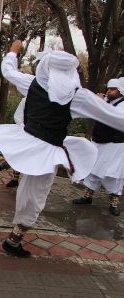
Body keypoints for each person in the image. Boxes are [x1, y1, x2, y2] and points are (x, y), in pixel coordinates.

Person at [0, 40, 124, 258]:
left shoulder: (32, 83)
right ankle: (14, 240)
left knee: (30, 193)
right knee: (35, 196)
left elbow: (8, 71)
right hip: (45, 152)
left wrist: (13, 52)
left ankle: (15, 236)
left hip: (27, 142)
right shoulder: (78, 96)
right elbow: (115, 118)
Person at [73, 77, 124, 216]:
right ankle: (88, 196)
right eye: (109, 89)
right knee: (93, 169)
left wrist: (101, 103)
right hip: (99, 141)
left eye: (113, 89)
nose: (109, 91)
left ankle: (114, 202)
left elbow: (113, 117)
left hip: (115, 145)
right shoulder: (106, 101)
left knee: (113, 174)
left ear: (121, 91)